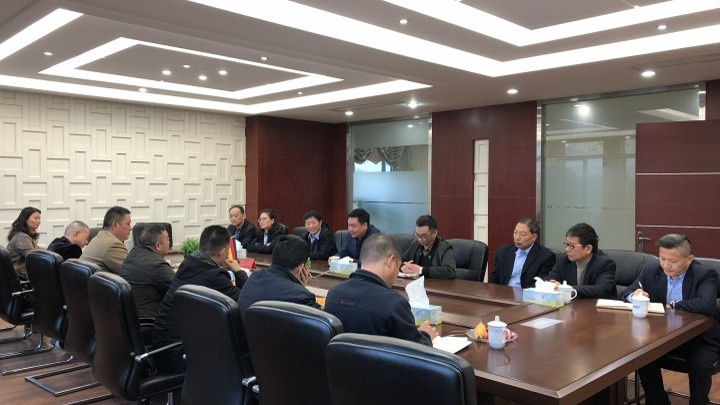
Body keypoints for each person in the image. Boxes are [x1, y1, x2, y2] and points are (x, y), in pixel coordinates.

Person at [621, 234, 720, 405]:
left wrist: (673, 305)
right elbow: (626, 292)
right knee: (642, 357)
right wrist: (635, 295)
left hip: (699, 339)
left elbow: (706, 305)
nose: (666, 265)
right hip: (662, 336)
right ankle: (658, 401)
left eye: (673, 261)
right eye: (662, 258)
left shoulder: (704, 275)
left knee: (700, 366)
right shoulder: (652, 270)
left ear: (689, 259)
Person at [152, 225, 248, 373]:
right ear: (223, 252)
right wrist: (239, 272)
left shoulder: (187, 264)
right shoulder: (214, 276)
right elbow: (244, 300)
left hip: (162, 347)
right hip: (180, 355)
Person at [324, 234, 438, 347]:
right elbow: (416, 351)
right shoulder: (394, 303)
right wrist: (425, 335)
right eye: (398, 267)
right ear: (391, 261)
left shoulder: (333, 293)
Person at [237, 235, 320, 318]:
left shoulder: (253, 278)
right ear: (301, 269)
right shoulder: (302, 298)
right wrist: (301, 289)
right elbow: (324, 322)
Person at [545, 223, 616, 299]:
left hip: (599, 305)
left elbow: (600, 290)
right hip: (573, 305)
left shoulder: (605, 264)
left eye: (572, 246)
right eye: (567, 244)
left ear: (588, 249)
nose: (567, 249)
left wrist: (566, 289)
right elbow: (549, 280)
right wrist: (548, 285)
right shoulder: (563, 259)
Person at [119, 224, 174, 320]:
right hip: (150, 323)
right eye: (168, 239)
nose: (169, 242)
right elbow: (181, 289)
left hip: (130, 319)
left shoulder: (132, 254)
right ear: (158, 245)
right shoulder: (157, 265)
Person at [490, 218, 556, 288]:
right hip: (503, 292)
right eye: (515, 233)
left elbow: (541, 284)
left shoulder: (546, 256)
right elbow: (493, 280)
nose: (517, 238)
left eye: (522, 234)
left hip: (527, 293)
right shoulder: (503, 252)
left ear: (534, 237)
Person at [400, 214, 456, 279]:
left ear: (435, 233)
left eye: (424, 236)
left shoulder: (444, 248)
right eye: (417, 235)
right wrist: (402, 266)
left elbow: (450, 272)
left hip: (436, 284)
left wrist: (421, 270)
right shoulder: (415, 244)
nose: (419, 239)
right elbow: (400, 260)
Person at [80, 206, 132, 274]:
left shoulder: (100, 236)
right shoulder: (113, 245)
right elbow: (131, 273)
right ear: (115, 225)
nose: (131, 228)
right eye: (128, 224)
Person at [6, 207, 42, 279]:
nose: (39, 221)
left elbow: (39, 250)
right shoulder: (21, 237)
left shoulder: (25, 236)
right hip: (21, 276)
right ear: (25, 219)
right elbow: (34, 256)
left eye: (39, 219)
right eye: (35, 218)